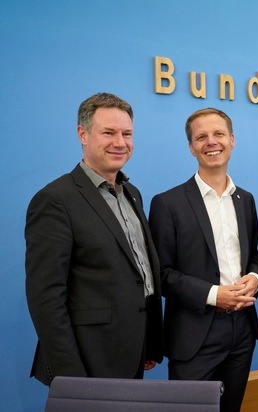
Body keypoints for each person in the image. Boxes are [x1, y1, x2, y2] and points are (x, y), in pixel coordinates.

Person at [25, 92, 163, 386]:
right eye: (109, 133)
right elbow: (46, 298)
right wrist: (71, 377)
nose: (120, 142)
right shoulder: (55, 200)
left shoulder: (132, 194)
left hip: (131, 350)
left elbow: (141, 273)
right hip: (87, 361)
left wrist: (148, 342)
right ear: (82, 134)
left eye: (127, 134)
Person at [148, 108, 258, 412]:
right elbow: (161, 274)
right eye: (201, 137)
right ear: (191, 147)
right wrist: (214, 295)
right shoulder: (167, 203)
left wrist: (255, 279)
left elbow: (254, 257)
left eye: (219, 134)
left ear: (232, 140)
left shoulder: (246, 200)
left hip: (242, 331)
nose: (211, 142)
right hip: (194, 335)